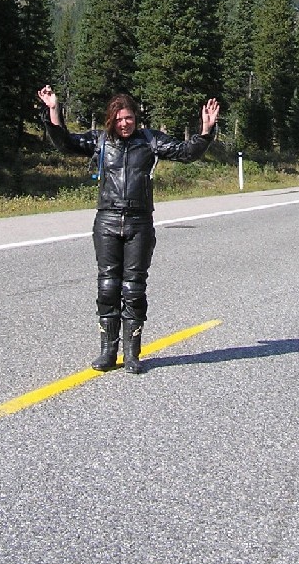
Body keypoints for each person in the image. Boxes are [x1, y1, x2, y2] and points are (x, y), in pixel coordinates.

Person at [37, 87, 220, 374]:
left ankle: (132, 354)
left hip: (139, 223)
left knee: (134, 288)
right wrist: (53, 110)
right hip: (107, 221)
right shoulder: (100, 141)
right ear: (111, 120)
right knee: (108, 287)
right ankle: (108, 352)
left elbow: (186, 152)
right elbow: (65, 143)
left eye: (129, 118)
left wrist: (206, 131)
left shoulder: (150, 140)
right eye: (120, 119)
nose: (125, 123)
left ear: (136, 117)